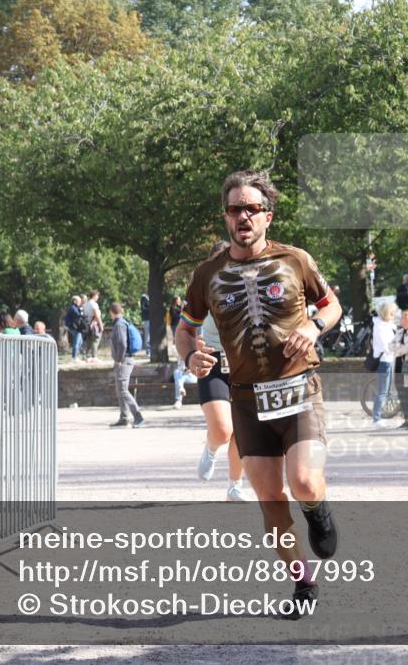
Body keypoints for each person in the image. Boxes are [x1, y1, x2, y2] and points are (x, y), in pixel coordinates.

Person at [175, 170, 341, 619]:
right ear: (225, 217)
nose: (243, 216)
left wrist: (313, 326)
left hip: (299, 389)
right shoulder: (206, 274)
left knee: (304, 481)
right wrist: (190, 358)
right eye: (234, 209)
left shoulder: (295, 260)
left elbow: (331, 305)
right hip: (247, 400)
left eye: (251, 208)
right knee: (270, 504)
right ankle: (303, 581)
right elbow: (185, 330)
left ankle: (317, 508)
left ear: (267, 215)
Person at [194, 241, 250, 502]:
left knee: (242, 431)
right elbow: (186, 328)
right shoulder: (202, 291)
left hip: (244, 365)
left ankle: (234, 486)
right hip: (213, 362)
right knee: (222, 430)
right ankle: (211, 447)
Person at [108, 302, 144, 428]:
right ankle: (124, 418)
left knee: (123, 390)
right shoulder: (122, 323)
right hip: (125, 360)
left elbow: (123, 344)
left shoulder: (119, 325)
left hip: (123, 361)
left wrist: (118, 360)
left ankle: (138, 416)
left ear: (111, 312)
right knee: (120, 389)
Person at [370, 302, 399, 428]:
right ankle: (376, 419)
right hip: (385, 361)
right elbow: (385, 345)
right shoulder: (380, 326)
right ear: (387, 312)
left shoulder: (386, 325)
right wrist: (396, 348)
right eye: (392, 312)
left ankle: (378, 417)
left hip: (389, 359)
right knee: (382, 392)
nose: (394, 314)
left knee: (385, 391)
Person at [83, 291, 103, 362]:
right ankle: (94, 357)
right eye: (97, 296)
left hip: (87, 324)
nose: (98, 297)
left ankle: (87, 356)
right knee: (95, 339)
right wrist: (101, 325)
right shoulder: (94, 304)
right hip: (94, 324)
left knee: (88, 340)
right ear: (94, 295)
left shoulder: (86, 304)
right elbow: (97, 316)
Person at [64, 295, 84, 361]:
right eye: (79, 301)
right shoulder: (73, 308)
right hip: (74, 327)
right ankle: (74, 357)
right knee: (77, 342)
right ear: (75, 301)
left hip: (76, 327)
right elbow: (78, 315)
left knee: (80, 341)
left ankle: (75, 356)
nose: (80, 302)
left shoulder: (76, 307)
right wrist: (82, 313)